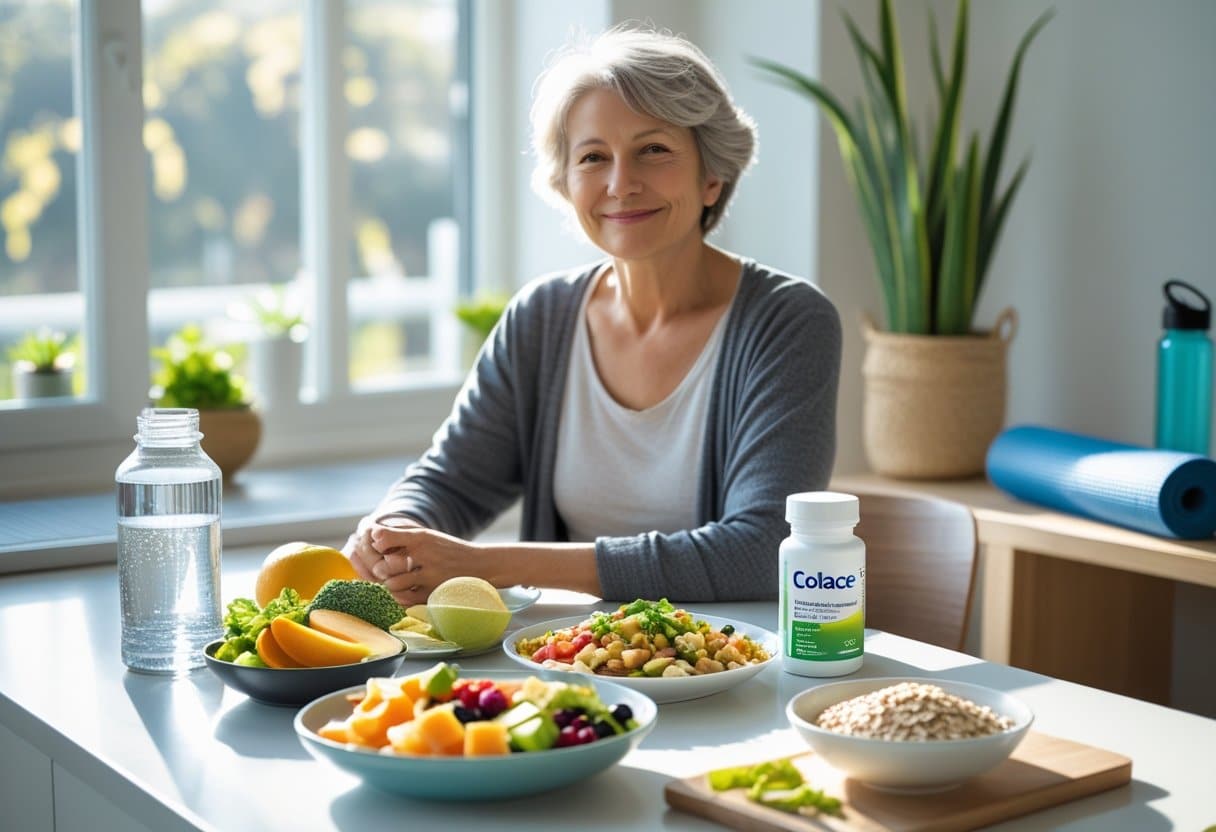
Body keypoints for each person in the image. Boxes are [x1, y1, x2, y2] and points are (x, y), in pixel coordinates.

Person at [345, 25, 841, 606]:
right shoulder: (542, 317)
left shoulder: (789, 323)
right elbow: (452, 481)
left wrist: (491, 564)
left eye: (653, 150)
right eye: (592, 157)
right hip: (561, 664)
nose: (620, 183)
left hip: (725, 669)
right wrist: (393, 529)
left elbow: (760, 550)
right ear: (566, 183)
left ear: (712, 176)